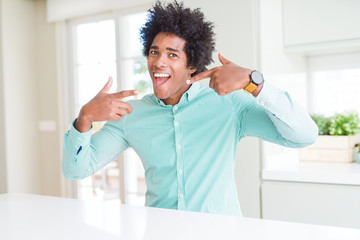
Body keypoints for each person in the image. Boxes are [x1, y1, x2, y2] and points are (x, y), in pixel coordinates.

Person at [62, 1, 317, 216]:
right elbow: (76, 170)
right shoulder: (131, 114)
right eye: (154, 52)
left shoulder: (228, 103)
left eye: (172, 55)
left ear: (192, 65)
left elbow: (304, 136)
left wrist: (254, 81)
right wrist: (84, 118)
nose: (158, 62)